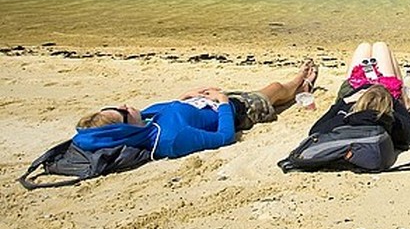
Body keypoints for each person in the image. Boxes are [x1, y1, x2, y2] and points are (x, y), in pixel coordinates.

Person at [75, 60, 318, 159]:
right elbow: (224, 137)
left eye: (115, 106)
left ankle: (297, 83)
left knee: (270, 89)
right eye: (123, 112)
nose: (125, 105)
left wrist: (182, 99)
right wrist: (223, 103)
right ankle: (301, 82)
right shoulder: (171, 140)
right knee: (274, 90)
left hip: (210, 102)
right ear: (126, 129)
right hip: (238, 111)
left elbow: (168, 110)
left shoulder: (146, 122)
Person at [338, 40, 410, 110]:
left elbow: (327, 119)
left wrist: (344, 102)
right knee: (380, 46)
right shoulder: (382, 119)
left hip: (353, 92)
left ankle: (405, 100)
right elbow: (409, 122)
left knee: (364, 46)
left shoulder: (343, 118)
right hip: (381, 97)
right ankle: (405, 101)